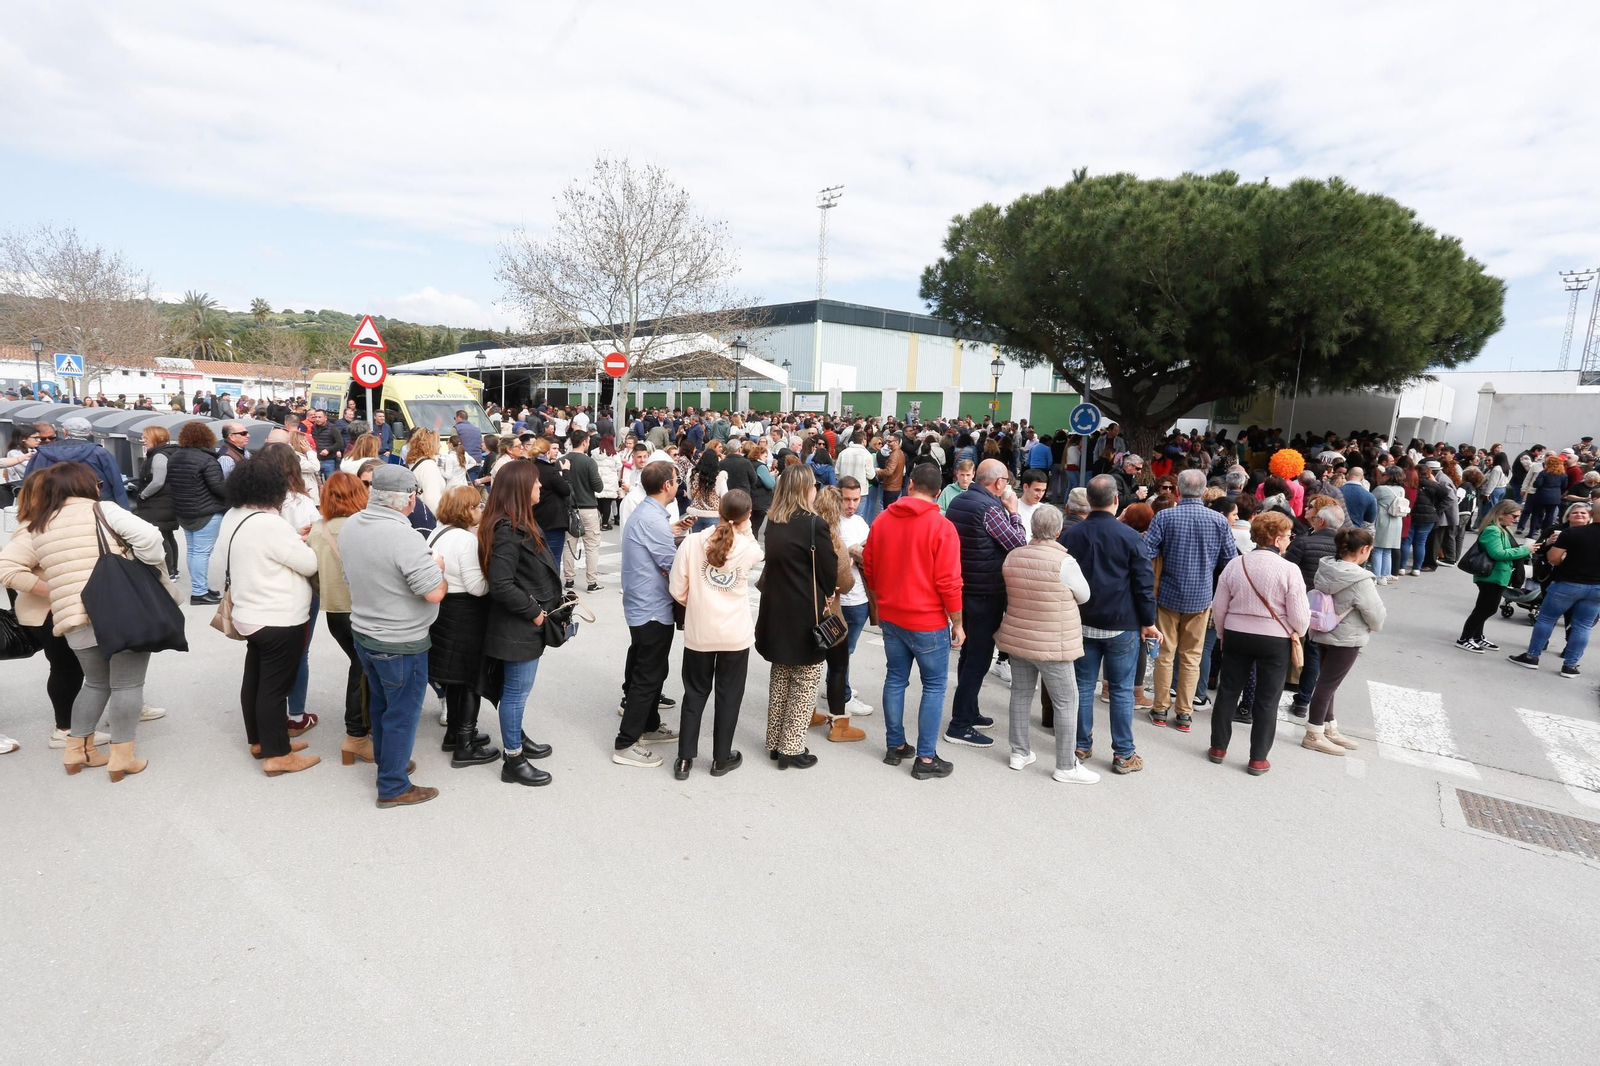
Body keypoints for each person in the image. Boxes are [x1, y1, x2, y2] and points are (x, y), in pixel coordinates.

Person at [0, 463, 165, 780]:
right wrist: (137, 564)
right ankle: (122, 756)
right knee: (128, 683)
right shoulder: (102, 510)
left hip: (71, 615)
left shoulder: (40, 523)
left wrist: (60, 588)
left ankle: (77, 750)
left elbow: (8, 568)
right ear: (86, 485)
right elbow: (151, 539)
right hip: (119, 608)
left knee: (94, 682)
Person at [339, 464, 448, 808]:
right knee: (401, 714)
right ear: (409, 500)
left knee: (384, 707)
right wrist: (437, 568)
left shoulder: (353, 523)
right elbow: (433, 593)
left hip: (365, 632)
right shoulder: (404, 536)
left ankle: (390, 765)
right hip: (401, 640)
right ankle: (393, 785)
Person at [208, 455, 321, 776]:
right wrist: (303, 541)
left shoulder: (234, 515)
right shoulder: (270, 523)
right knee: (274, 688)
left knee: (256, 681)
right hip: (278, 617)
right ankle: (278, 754)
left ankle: (261, 741)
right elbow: (309, 564)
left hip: (248, 612)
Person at [862, 463, 963, 779]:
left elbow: (869, 565)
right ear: (937, 494)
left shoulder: (882, 520)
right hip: (928, 620)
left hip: (892, 615)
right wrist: (957, 622)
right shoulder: (942, 527)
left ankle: (895, 747)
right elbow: (949, 581)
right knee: (934, 686)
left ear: (909, 486)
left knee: (895, 678)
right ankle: (926, 758)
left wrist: (879, 600)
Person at [1062, 475, 1158, 775]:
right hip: (1122, 622)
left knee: (1082, 686)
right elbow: (1144, 586)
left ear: (1089, 501)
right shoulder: (1130, 537)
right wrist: (1148, 621)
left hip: (1082, 621)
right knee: (1120, 690)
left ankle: (1080, 744)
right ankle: (1124, 754)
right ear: (1116, 499)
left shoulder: (1071, 535)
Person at [994, 504, 1097, 783]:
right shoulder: (1065, 562)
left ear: (1032, 529)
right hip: (1054, 642)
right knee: (1066, 701)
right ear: (1059, 531)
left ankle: (1019, 752)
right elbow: (1084, 595)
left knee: (1021, 694)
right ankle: (1066, 765)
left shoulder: (1013, 557)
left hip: (1019, 637)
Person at [1208, 511, 1310, 776]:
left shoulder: (1235, 564)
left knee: (1228, 691)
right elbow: (1299, 615)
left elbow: (1219, 607)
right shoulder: (1289, 569)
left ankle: (1218, 747)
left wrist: (1222, 634)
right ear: (1277, 540)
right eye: (1288, 536)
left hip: (1236, 633)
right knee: (1267, 699)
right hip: (1275, 638)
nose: (1289, 540)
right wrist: (1297, 632)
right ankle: (1258, 758)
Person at [479, 462, 563, 786]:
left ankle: (518, 738)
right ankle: (513, 758)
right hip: (518, 625)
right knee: (516, 693)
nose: (541, 487)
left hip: (521, 623)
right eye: (536, 484)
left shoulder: (516, 523)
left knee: (515, 692)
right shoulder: (508, 530)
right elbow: (501, 584)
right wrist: (535, 613)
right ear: (520, 490)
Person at [669, 489, 762, 778]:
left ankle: (685, 758)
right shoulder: (749, 549)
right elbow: (756, 549)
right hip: (735, 633)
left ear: (718, 509)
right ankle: (721, 758)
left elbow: (677, 588)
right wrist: (743, 527)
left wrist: (696, 601)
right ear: (747, 517)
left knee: (694, 693)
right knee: (729, 695)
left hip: (700, 631)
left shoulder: (693, 542)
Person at [1141, 468, 1238, 733]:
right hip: (1201, 596)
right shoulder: (1218, 521)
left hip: (1168, 595)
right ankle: (1184, 713)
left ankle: (1160, 708)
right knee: (1192, 656)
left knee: (1164, 654)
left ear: (1178, 490)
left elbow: (1146, 552)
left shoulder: (1164, 516)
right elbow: (1229, 560)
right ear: (1205, 492)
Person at [754, 465, 837, 769]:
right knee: (806, 678)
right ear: (805, 489)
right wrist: (828, 592)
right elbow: (828, 568)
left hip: (776, 608)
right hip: (805, 609)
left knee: (781, 675)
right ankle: (792, 746)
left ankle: (775, 742)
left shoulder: (774, 522)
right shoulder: (814, 524)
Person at [943, 458, 1027, 748]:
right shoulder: (991, 508)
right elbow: (1018, 543)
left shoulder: (960, 501)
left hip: (964, 587)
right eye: (1007, 481)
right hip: (984, 592)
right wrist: (1014, 513)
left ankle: (969, 710)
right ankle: (960, 725)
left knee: (969, 655)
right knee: (978, 658)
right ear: (999, 483)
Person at [616, 459, 688, 768]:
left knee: (651, 668)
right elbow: (672, 564)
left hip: (645, 604)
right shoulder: (653, 518)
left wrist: (674, 532)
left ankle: (648, 724)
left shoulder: (650, 513)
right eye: (676, 479)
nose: (679, 484)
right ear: (667, 486)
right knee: (648, 674)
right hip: (651, 608)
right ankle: (626, 742)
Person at [309, 473, 374, 768]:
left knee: (361, 666)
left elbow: (311, 572)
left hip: (335, 611)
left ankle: (362, 728)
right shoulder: (363, 526)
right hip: (363, 609)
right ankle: (355, 735)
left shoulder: (316, 530)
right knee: (363, 669)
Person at [1303, 528, 1384, 755]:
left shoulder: (1326, 567)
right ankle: (1314, 732)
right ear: (1364, 549)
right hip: (1347, 637)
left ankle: (1329, 727)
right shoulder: (1360, 579)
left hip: (1322, 630)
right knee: (1327, 685)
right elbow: (1375, 613)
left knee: (1327, 682)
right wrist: (1375, 626)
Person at [1509, 502, 1600, 676]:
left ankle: (1532, 657)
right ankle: (1570, 666)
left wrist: (1566, 564)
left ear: (1591, 513)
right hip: (1596, 588)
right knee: (1583, 626)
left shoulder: (1571, 532)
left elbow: (1553, 557)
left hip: (1568, 582)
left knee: (1546, 618)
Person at [811, 486, 868, 743]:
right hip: (829, 615)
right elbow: (845, 583)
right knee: (838, 666)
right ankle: (838, 722)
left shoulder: (803, 529)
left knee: (807, 665)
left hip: (802, 611)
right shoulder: (834, 539)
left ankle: (806, 712)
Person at [1282, 503, 1344, 720]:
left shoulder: (1303, 543)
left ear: (1322, 521)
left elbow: (1286, 571)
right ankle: (1303, 701)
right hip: (1325, 609)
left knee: (1286, 645)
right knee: (1314, 655)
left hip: (1298, 602)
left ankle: (1277, 689)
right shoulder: (1342, 547)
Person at [165, 421, 230, 605]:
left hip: (184, 511)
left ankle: (199, 586)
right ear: (207, 438)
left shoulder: (175, 457)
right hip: (207, 512)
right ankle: (199, 592)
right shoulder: (207, 459)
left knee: (193, 551)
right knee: (202, 553)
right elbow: (218, 487)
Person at [1457, 499, 1531, 653]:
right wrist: (1525, 550)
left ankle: (1477, 637)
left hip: (1497, 575)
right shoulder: (1493, 530)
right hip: (1491, 575)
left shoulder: (1502, 528)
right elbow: (1497, 553)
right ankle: (1464, 638)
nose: (1516, 520)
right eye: (1514, 516)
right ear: (1501, 514)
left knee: (1484, 607)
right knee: (1486, 609)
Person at [25, 418, 130, 507]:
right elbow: (116, 483)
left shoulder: (42, 454)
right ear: (89, 433)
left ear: (65, 432)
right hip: (95, 506)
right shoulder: (100, 453)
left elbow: (30, 484)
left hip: (52, 506)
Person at [132, 425, 181, 581]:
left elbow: (158, 481)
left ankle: (169, 572)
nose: (142, 440)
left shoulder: (159, 456)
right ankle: (174, 569)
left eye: (145, 437)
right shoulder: (167, 452)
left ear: (157, 438)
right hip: (166, 501)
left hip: (158, 502)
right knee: (168, 534)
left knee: (162, 536)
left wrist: (143, 495)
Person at [562, 429, 605, 592]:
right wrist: (599, 476)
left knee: (569, 545)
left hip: (569, 509)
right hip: (588, 507)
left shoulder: (561, 460)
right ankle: (591, 582)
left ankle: (569, 580)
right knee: (592, 546)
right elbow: (598, 488)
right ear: (585, 442)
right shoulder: (589, 462)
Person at [528, 439, 574, 567]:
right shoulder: (549, 470)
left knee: (536, 559)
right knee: (554, 558)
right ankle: (553, 586)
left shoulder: (528, 468)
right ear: (547, 452)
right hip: (552, 521)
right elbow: (566, 490)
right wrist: (566, 472)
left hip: (533, 518)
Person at [1526, 454, 1569, 543]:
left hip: (1541, 495)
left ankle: (1531, 533)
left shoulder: (1544, 473)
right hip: (1555, 496)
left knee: (1536, 514)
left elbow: (1537, 484)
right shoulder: (1563, 475)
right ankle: (1545, 533)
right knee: (1550, 515)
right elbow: (1564, 486)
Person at [404, 428, 447, 513]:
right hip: (429, 516)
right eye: (438, 442)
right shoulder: (429, 465)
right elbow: (432, 500)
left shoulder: (413, 462)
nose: (440, 446)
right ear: (431, 445)